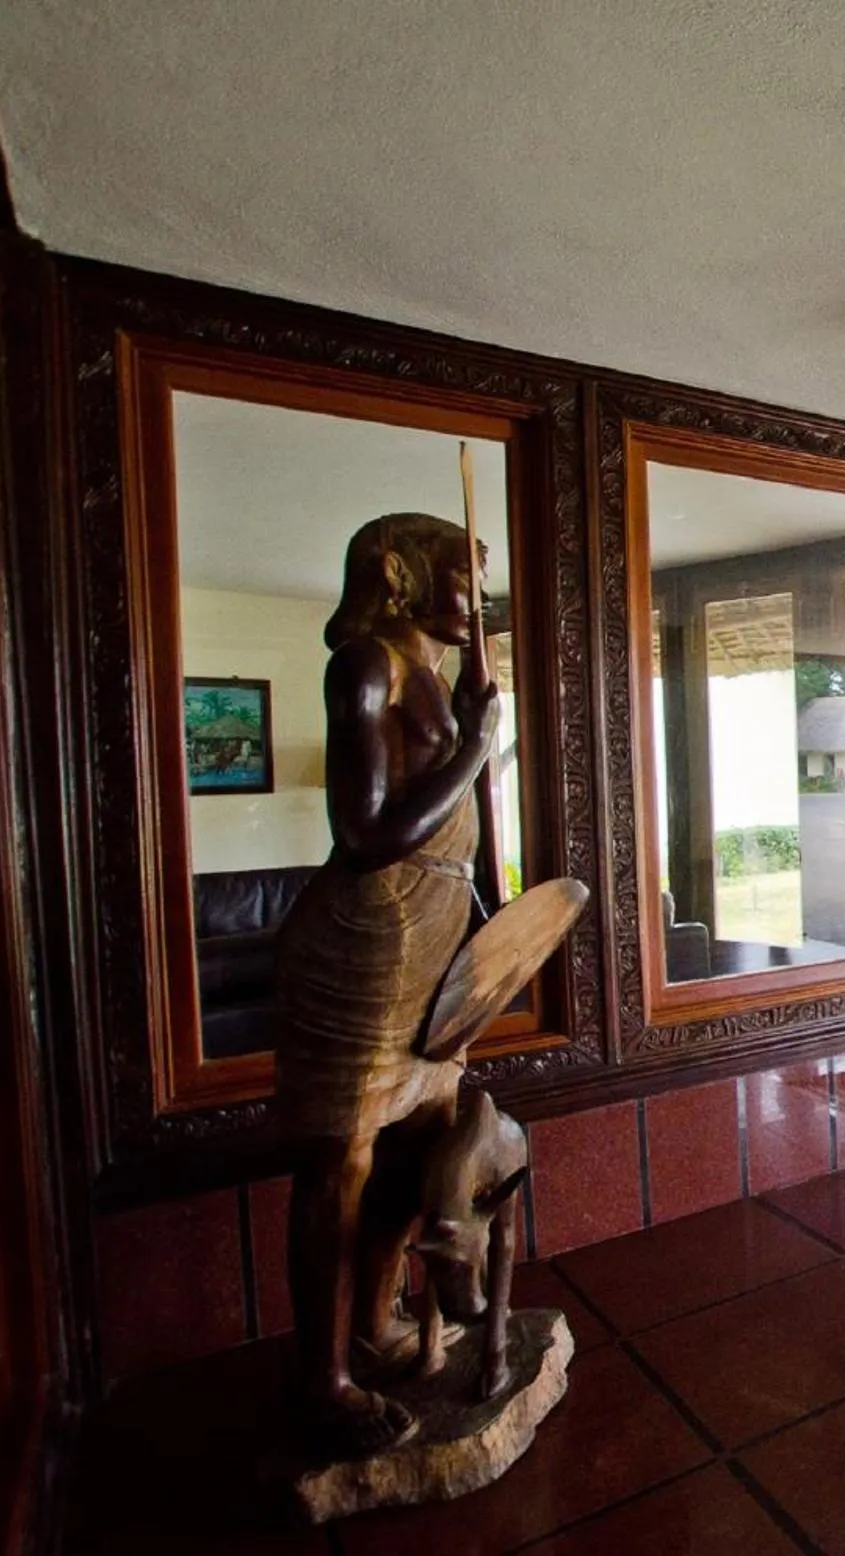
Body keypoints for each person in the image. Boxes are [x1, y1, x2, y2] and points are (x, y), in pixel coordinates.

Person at [275, 511, 498, 1453]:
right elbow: (364, 835)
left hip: (433, 932)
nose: (476, 604)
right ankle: (323, 1379)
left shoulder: (438, 673)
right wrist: (476, 748)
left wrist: (490, 918)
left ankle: (371, 1326)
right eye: (464, 580)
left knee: (424, 1138)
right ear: (404, 577)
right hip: (372, 938)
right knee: (344, 1156)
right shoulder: (366, 665)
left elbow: (451, 826)